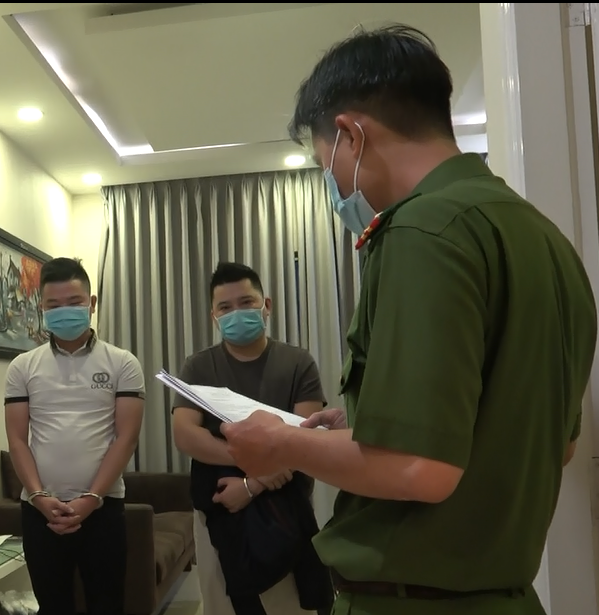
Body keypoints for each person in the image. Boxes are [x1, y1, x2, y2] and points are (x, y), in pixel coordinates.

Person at [218, 25, 598, 615]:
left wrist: (282, 443)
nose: (333, 186)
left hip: (410, 601)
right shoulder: (546, 241)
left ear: (350, 135)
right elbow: (552, 443)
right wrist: (366, 418)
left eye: (324, 165)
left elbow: (420, 467)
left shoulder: (421, 231)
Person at [172, 261, 333, 615]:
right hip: (220, 508)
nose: (236, 313)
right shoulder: (198, 366)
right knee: (224, 604)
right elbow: (185, 433)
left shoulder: (298, 362)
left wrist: (252, 485)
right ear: (214, 317)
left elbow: (307, 437)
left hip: (286, 508)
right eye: (225, 307)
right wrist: (252, 463)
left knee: (291, 606)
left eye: (246, 303)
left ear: (266, 306)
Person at [4, 257, 145, 615]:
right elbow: (17, 440)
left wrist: (91, 498)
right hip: (40, 510)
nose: (64, 311)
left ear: (91, 303)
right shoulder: (22, 366)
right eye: (54, 305)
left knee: (107, 605)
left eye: (74, 302)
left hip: (104, 507)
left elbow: (126, 438)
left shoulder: (123, 363)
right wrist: (38, 496)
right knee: (53, 606)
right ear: (41, 308)